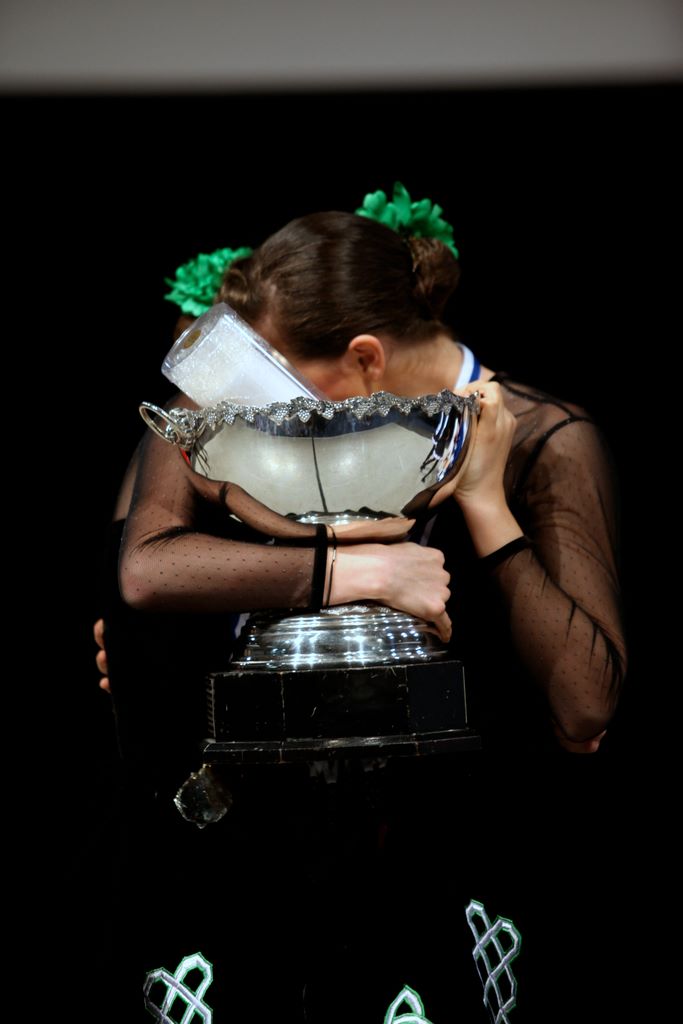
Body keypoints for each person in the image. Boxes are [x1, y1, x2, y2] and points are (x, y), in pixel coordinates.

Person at [93, 184, 627, 1022]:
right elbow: (142, 581)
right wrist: (355, 571)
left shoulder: (540, 438)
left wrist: (483, 504)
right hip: (241, 867)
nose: (249, 396)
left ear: (365, 361)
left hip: (440, 880)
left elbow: (582, 706)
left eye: (273, 375)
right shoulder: (228, 421)